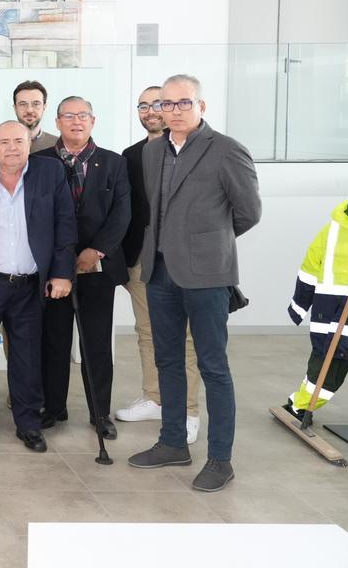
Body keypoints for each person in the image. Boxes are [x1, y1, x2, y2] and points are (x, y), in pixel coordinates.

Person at [128, 74, 261, 493]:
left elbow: (248, 212)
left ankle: (220, 459)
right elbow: (157, 208)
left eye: (183, 103)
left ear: (201, 106)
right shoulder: (154, 153)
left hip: (206, 274)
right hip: (160, 270)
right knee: (167, 360)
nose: (174, 111)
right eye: (166, 105)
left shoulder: (226, 150)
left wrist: (206, 243)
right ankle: (172, 443)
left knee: (213, 367)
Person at [0, 121, 76, 453]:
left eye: (18, 141)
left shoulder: (49, 173)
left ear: (29, 143)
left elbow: (65, 224)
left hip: (29, 285)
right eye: (4, 142)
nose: (11, 147)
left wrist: (63, 273)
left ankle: (28, 423)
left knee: (26, 356)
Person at [34, 96, 131, 440]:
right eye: (69, 116)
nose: (76, 121)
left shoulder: (113, 162)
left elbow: (122, 213)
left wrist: (96, 251)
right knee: (54, 342)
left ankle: (100, 412)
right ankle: (53, 407)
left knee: (96, 344)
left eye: (83, 116)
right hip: (54, 268)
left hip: (97, 269)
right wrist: (58, 257)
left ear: (93, 121)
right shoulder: (40, 161)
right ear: (57, 122)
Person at [117, 86, 201, 444]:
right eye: (144, 106)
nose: (151, 111)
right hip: (142, 259)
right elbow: (127, 210)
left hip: (185, 261)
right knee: (148, 332)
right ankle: (156, 398)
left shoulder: (197, 151)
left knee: (184, 338)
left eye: (159, 104)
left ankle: (188, 411)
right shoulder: (131, 155)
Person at [280, 198, 348, 421]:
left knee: (328, 366)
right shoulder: (332, 231)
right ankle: (300, 406)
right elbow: (310, 269)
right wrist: (298, 307)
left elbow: (309, 268)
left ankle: (300, 406)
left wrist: (298, 307)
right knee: (327, 370)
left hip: (334, 319)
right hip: (335, 320)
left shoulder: (331, 230)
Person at [0, 81, 59, 159]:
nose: (29, 110)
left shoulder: (57, 144)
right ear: (15, 108)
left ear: (44, 107)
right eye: (23, 104)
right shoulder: (0, 142)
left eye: (36, 104)